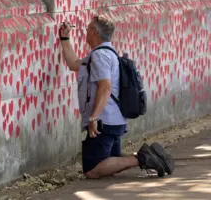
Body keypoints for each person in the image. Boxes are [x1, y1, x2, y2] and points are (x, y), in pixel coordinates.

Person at [59, 15, 175, 179]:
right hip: (115, 120)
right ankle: (150, 155)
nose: (85, 32)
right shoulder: (105, 53)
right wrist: (64, 38)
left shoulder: (100, 56)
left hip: (104, 122)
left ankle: (142, 158)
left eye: (87, 29)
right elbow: (74, 64)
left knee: (92, 170)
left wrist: (93, 118)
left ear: (94, 32)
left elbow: (105, 87)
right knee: (108, 161)